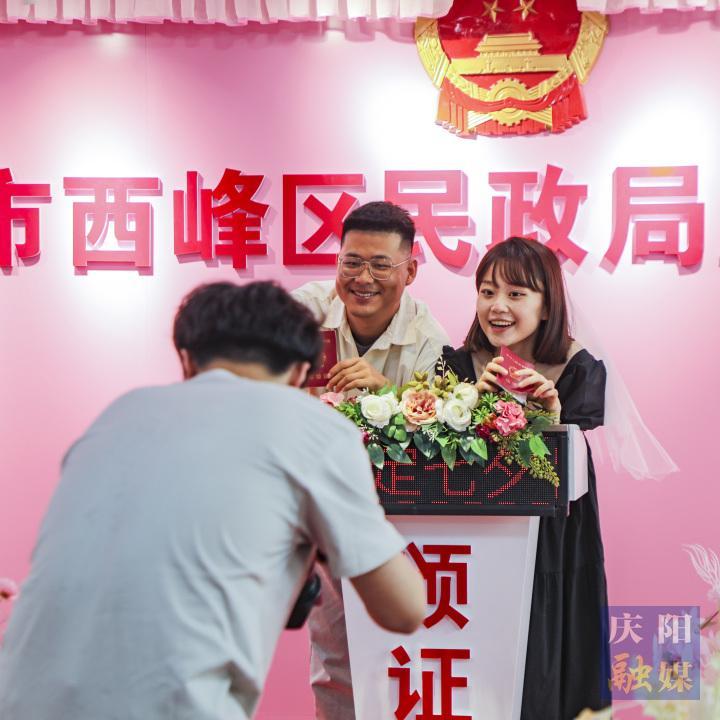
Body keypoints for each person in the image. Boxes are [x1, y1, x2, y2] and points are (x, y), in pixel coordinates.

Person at [0, 281, 426, 720]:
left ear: (187, 360)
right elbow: (404, 609)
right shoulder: (314, 427)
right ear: (301, 372)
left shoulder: (118, 415)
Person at [440, 237, 610, 720]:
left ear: (547, 304)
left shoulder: (577, 369)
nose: (498, 306)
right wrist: (470, 405)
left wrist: (552, 414)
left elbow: (565, 472)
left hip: (554, 537)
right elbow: (444, 462)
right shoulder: (456, 366)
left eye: (516, 294)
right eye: (487, 291)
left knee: (543, 649)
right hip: (475, 536)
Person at [292, 200, 449, 719]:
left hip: (402, 523)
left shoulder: (430, 340)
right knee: (334, 658)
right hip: (322, 513)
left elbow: (443, 437)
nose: (363, 278)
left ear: (410, 271)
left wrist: (389, 392)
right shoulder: (305, 312)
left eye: (381, 265)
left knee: (412, 655)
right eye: (351, 262)